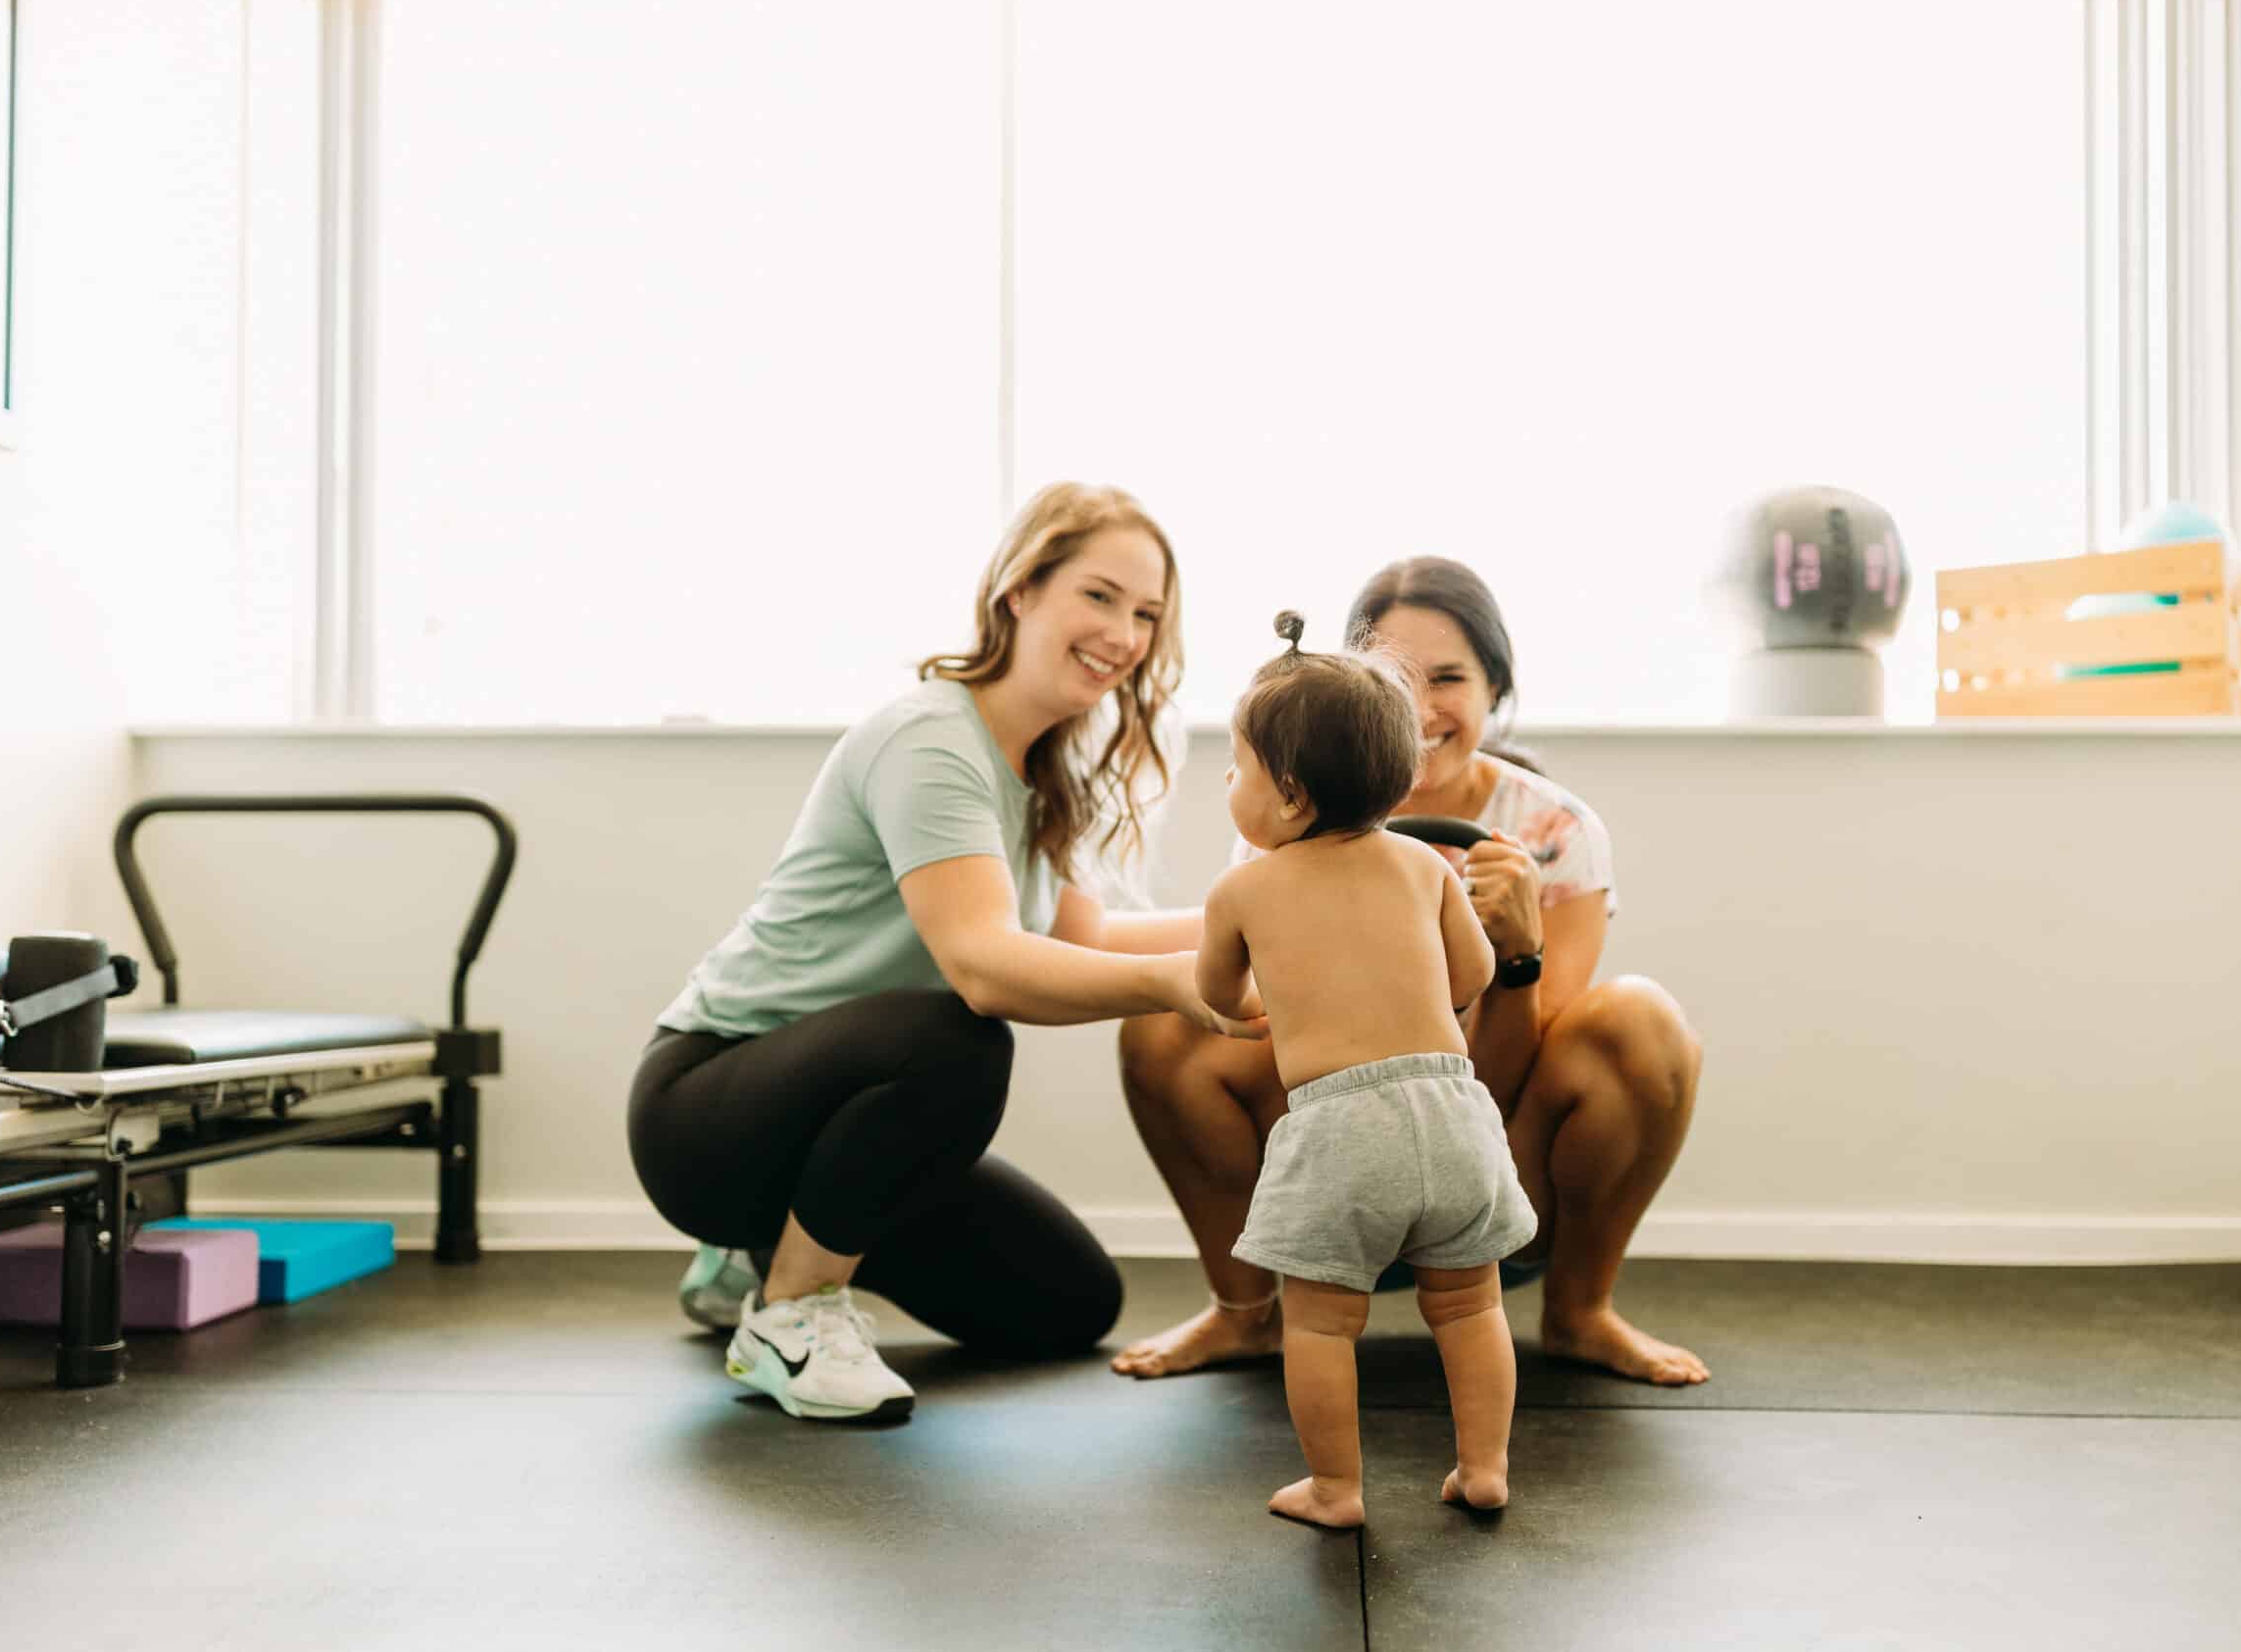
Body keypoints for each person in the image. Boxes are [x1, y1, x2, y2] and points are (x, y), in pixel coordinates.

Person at [629, 482, 1264, 1422]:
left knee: (1070, 1305)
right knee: (961, 1035)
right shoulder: (931, 737)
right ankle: (788, 1314)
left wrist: (1266, 918)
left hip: (842, 1106)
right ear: (1019, 589)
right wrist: (1178, 986)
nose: (1124, 635)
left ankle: (757, 1252)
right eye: (1099, 595)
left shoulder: (1052, 767)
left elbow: (1084, 939)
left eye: (1145, 614)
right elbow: (983, 963)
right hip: (707, 1109)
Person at [1115, 556, 1711, 1387]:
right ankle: (1243, 1313)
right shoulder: (1285, 814)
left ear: (1496, 689)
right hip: (1324, 1144)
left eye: (1449, 678)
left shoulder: (1555, 831)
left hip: (1491, 1155)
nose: (1421, 709)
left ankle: (1580, 1313)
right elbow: (1246, 1006)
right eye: (1395, 680)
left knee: (1642, 1017)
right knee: (1158, 1019)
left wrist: (1517, 956)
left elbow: (1508, 1076)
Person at [1208, 612, 1535, 1528]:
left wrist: (1261, 1004)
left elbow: (1217, 994)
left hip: (1337, 1128)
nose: (1226, 786)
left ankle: (1337, 1488)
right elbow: (1471, 975)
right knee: (1471, 1308)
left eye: (1234, 769)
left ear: (1289, 794)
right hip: (1452, 1110)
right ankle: (1484, 1468)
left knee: (1318, 1323)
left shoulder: (1243, 888)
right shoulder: (1425, 866)